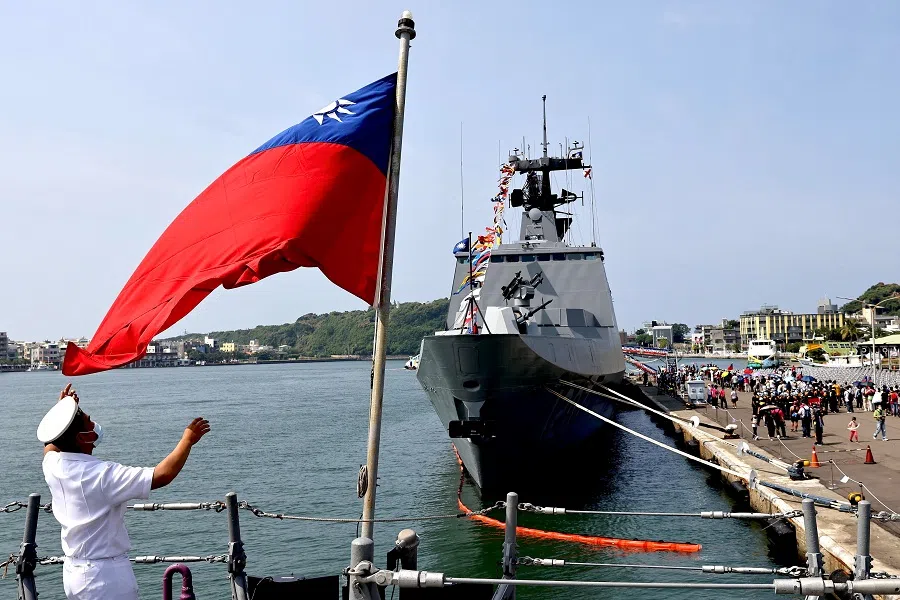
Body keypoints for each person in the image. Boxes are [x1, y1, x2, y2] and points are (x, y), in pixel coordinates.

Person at [38, 384, 211, 600]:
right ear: (82, 438)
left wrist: (62, 412)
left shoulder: (53, 465)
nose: (94, 423)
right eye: (88, 422)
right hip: (105, 578)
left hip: (74, 573)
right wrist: (187, 440)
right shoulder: (101, 475)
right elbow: (161, 475)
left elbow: (50, 445)